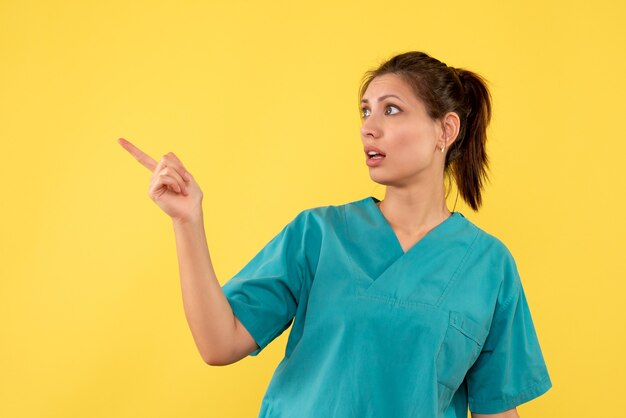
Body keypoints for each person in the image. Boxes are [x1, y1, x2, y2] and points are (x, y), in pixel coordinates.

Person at [118, 50, 552, 418]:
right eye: (365, 110)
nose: (368, 126)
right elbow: (219, 342)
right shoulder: (319, 235)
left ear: (446, 130)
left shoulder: (488, 266)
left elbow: (497, 408)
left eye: (391, 109)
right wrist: (187, 221)